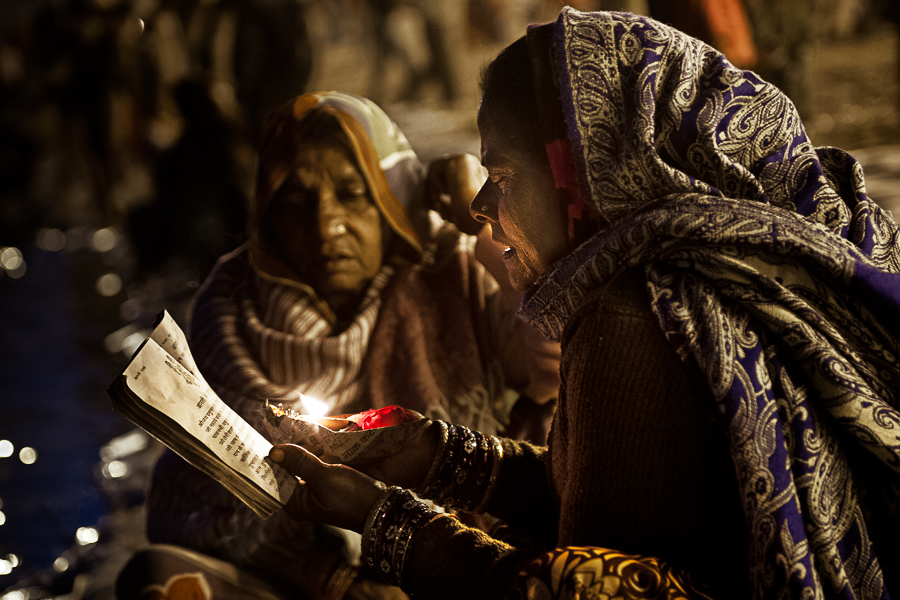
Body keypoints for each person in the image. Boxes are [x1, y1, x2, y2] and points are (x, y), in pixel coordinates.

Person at [264, 8, 900, 600]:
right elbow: (630, 503)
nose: (481, 207)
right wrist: (440, 455)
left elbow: (595, 586)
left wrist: (380, 521)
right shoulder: (721, 282)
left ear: (580, 175)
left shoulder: (629, 319)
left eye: (504, 177)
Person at [120, 92, 559, 600]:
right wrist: (335, 580)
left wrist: (478, 222)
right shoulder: (230, 309)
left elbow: (554, 349)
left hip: (460, 564)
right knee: (158, 581)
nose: (325, 225)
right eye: (294, 201)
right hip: (305, 584)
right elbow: (200, 499)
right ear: (267, 216)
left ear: (394, 198)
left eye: (353, 194)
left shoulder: (454, 273)